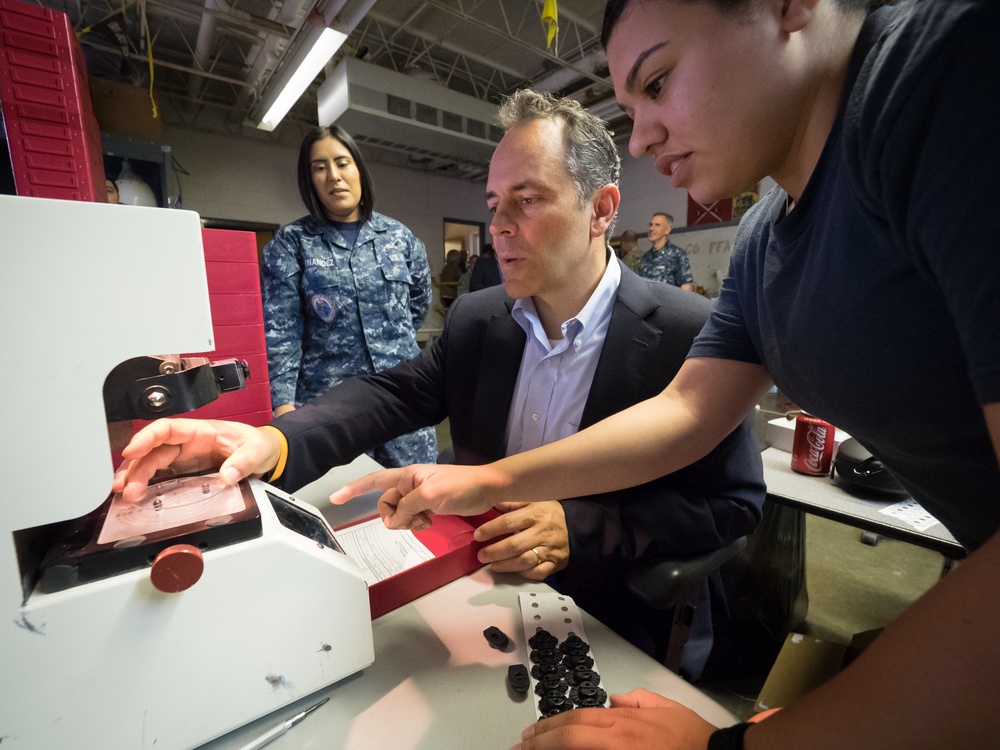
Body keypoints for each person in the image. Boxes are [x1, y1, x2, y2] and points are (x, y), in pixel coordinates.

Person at [325, 1, 1000, 748]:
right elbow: (685, 413)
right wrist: (486, 482)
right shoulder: (763, 240)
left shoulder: (950, 72)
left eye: (658, 81)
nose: (641, 137)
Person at [112, 89, 765, 679]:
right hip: (474, 589)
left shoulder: (689, 333)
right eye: (493, 205)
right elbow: (393, 393)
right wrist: (271, 443)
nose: (499, 226)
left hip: (604, 614)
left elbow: (733, 506)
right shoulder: (482, 319)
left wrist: (581, 527)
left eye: (527, 200)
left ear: (601, 209)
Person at [261, 124, 436, 468]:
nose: (333, 176)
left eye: (342, 163)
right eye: (320, 167)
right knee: (341, 506)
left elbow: (417, 306)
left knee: (416, 503)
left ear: (358, 169)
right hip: (330, 408)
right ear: (308, 179)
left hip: (403, 403)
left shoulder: (399, 238)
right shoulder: (292, 244)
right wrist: (283, 406)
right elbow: (281, 332)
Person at [637, 213, 693, 291]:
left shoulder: (676, 253)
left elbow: (686, 285)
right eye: (651, 224)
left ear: (667, 230)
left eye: (657, 225)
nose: (652, 228)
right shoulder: (645, 257)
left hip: (669, 302)